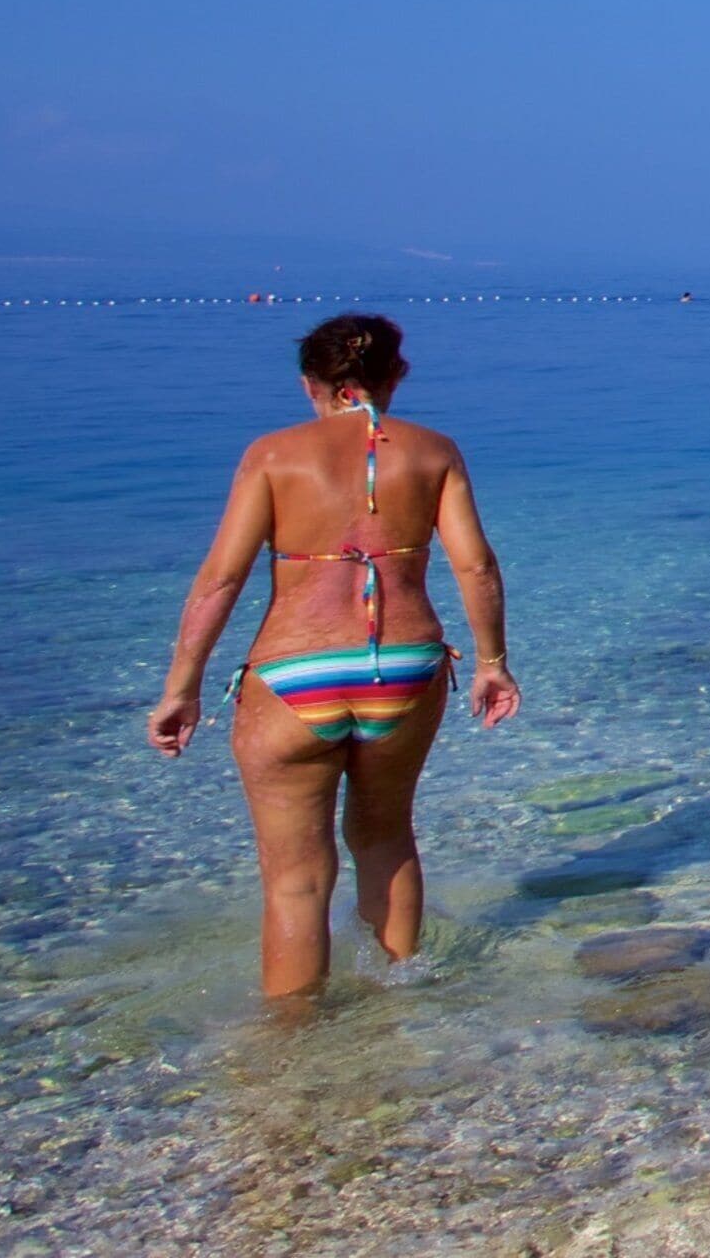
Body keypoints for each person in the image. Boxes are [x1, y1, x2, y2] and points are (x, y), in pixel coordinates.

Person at [147, 313, 521, 1001]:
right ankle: (399, 1004)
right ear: (396, 376)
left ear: (311, 385)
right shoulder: (435, 451)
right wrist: (493, 662)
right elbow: (477, 568)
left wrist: (183, 686)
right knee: (385, 841)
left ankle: (293, 1047)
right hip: (404, 670)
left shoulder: (272, 455)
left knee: (296, 879)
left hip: (294, 674)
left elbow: (221, 580)